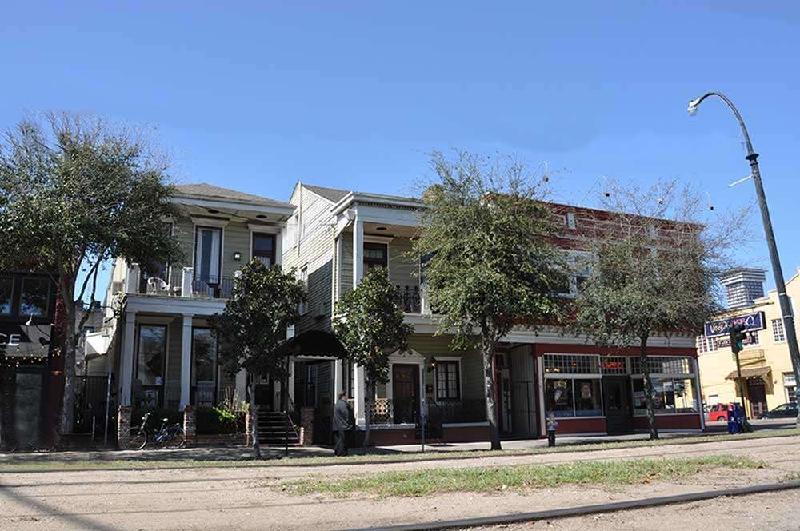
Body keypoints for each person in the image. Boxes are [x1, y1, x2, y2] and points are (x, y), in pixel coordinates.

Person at [333, 392, 351, 456]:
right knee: (342, 440)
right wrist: (348, 422)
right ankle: (341, 453)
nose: (347, 398)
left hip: (336, 425)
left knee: (338, 439)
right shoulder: (343, 404)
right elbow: (346, 414)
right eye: (346, 396)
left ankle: (337, 452)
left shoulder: (337, 404)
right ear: (343, 396)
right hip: (342, 426)